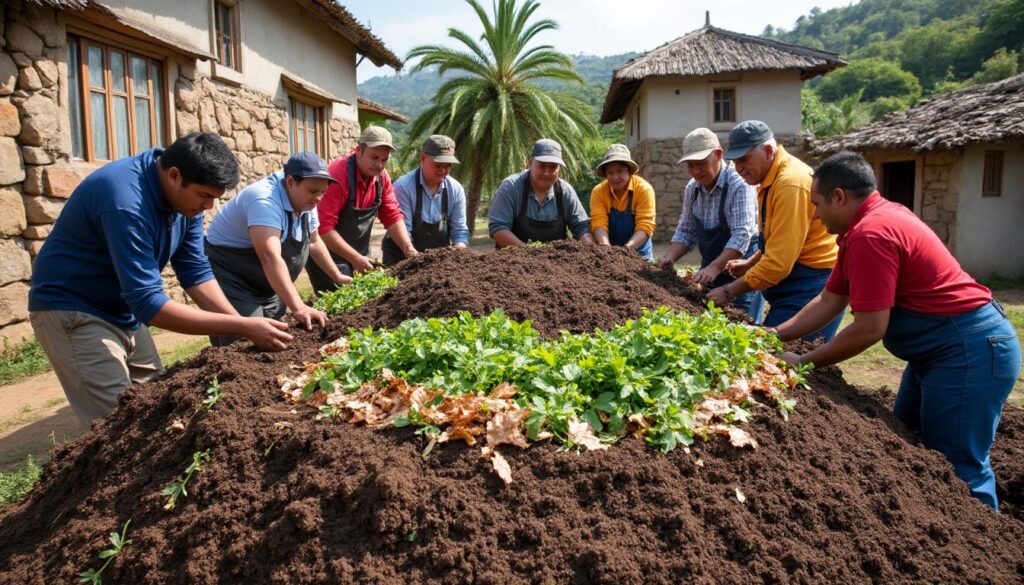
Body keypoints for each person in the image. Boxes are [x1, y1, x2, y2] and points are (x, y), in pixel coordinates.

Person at [775, 151, 1021, 509]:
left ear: (839, 196)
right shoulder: (866, 225)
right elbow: (830, 301)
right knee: (904, 445)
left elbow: (870, 328)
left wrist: (804, 360)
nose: (815, 213)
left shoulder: (871, 234)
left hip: (969, 353)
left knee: (958, 468)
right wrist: (774, 335)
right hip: (938, 354)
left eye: (817, 204)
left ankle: (982, 551)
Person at [28, 133, 293, 424]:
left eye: (214, 199)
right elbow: (148, 303)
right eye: (205, 196)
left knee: (156, 404)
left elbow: (195, 270)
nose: (209, 208)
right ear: (174, 176)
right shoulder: (124, 200)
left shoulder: (184, 202)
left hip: (121, 307)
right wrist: (242, 324)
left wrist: (240, 326)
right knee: (116, 425)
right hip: (73, 307)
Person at [706, 120, 841, 340]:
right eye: (735, 161)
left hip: (810, 285)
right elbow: (778, 237)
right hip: (795, 280)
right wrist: (752, 262)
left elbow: (779, 263)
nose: (738, 168)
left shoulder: (789, 184)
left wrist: (729, 291)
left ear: (768, 151)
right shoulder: (770, 178)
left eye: (744, 159)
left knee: (784, 358)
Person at [204, 152, 352, 346]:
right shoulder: (264, 200)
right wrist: (299, 307)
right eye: (313, 191)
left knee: (274, 333)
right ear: (290, 181)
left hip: (266, 281)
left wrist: (337, 276)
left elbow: (314, 241)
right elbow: (270, 257)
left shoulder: (307, 201)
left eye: (322, 192)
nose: (318, 198)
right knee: (243, 338)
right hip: (233, 277)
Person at [655, 128, 763, 321]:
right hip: (710, 267)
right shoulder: (692, 188)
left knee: (743, 326)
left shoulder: (739, 184)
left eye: (701, 163)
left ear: (718, 155)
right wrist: (669, 258)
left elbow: (741, 235)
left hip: (741, 270)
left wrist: (715, 267)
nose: (695, 171)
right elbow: (686, 231)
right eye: (690, 165)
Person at [306, 126, 417, 293]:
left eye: (384, 159)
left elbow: (392, 216)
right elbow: (324, 228)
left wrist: (409, 249)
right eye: (374, 157)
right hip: (326, 256)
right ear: (358, 150)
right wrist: (355, 258)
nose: (379, 165)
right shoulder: (337, 174)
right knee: (338, 303)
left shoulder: (382, 178)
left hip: (359, 254)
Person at [488, 138, 594, 247]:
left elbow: (581, 228)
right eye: (542, 166)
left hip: (557, 261)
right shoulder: (511, 187)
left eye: (553, 167)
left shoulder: (566, 191)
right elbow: (498, 228)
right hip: (513, 261)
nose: (547, 173)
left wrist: (592, 248)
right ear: (530, 162)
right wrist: (530, 253)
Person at [381, 135, 469, 264]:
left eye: (448, 165)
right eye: (438, 165)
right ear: (422, 158)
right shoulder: (403, 187)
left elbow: (459, 230)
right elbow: (404, 230)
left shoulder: (456, 189)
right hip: (401, 257)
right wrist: (416, 259)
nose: (443, 170)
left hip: (437, 262)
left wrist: (459, 248)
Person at [589, 143, 655, 259]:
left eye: (620, 171)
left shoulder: (643, 189)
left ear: (629, 171)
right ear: (605, 174)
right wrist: (606, 248)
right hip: (609, 253)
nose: (615, 177)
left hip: (640, 254)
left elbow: (645, 225)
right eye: (610, 172)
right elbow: (598, 223)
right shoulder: (599, 192)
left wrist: (626, 250)